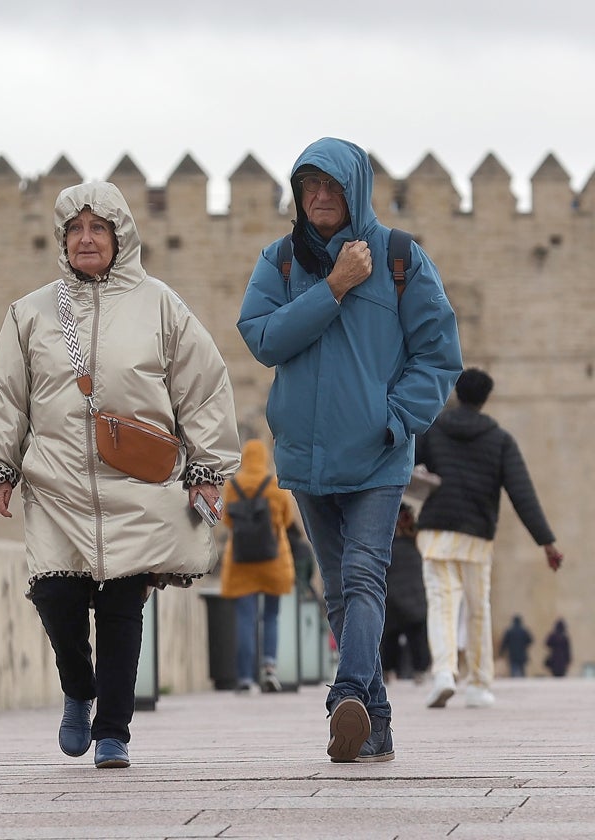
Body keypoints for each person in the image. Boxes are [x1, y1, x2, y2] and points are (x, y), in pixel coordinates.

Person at [0, 181, 240, 769]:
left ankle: (114, 729)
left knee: (122, 608)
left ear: (121, 237)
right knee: (55, 594)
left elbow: (203, 386)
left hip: (138, 485)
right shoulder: (31, 313)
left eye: (98, 228)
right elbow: (4, 395)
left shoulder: (161, 305)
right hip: (56, 482)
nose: (86, 239)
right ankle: (78, 687)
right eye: (75, 229)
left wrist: (208, 468)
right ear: (62, 240)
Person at [237, 137, 463, 763]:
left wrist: (396, 422)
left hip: (377, 454)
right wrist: (332, 287)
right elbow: (263, 339)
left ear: (355, 189)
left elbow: (439, 354)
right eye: (308, 186)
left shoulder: (399, 258)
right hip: (307, 457)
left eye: (331, 186)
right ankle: (376, 723)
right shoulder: (281, 262)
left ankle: (345, 696)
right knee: (338, 588)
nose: (318, 197)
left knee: (365, 574)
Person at [415, 368, 563, 709]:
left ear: (458, 393)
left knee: (441, 604)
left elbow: (408, 469)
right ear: (485, 399)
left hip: (436, 531)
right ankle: (479, 685)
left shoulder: (433, 430)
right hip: (477, 537)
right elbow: (522, 494)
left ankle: (443, 674)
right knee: (478, 608)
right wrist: (547, 543)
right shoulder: (499, 439)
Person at [219, 438, 296, 694]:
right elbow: (286, 519)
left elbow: (227, 520)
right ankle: (270, 669)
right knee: (271, 615)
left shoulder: (233, 486)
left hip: (241, 561)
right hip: (273, 559)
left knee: (245, 619)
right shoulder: (275, 485)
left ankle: (244, 677)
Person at [380, 504, 430, 683]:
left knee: (388, 637)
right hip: (413, 600)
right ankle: (420, 670)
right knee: (417, 635)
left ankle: (386, 670)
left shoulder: (386, 548)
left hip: (392, 600)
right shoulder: (415, 547)